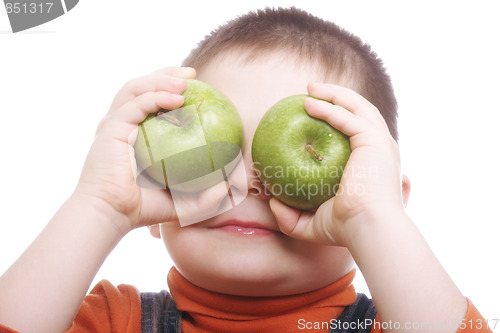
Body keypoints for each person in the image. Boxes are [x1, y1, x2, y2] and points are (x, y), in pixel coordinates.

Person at [0, 7, 492, 333]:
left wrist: (373, 220)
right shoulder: (115, 321)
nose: (251, 182)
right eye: (221, 150)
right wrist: (100, 207)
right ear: (152, 172)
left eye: (272, 154)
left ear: (385, 198)